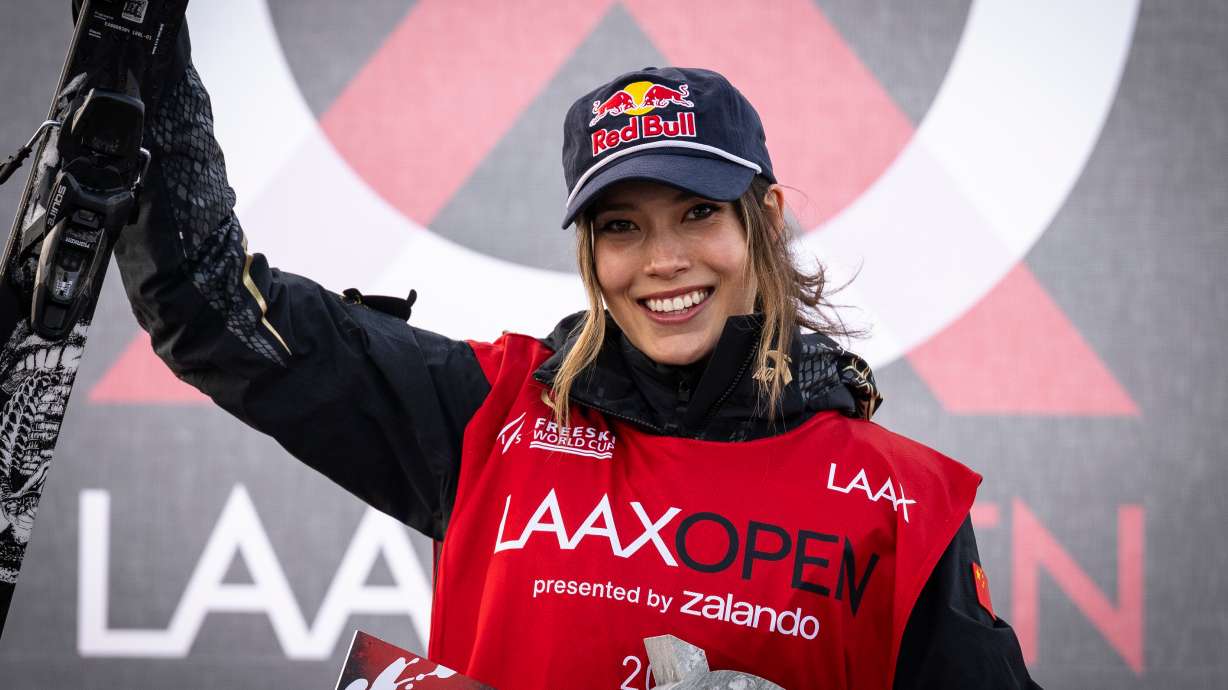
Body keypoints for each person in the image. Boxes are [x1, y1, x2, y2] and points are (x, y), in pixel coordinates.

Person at [114, 27, 1038, 690]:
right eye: (623, 226)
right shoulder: (492, 414)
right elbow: (216, 314)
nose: (664, 261)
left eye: (699, 213)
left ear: (764, 220)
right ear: (590, 254)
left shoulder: (901, 503)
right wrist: (140, 53)